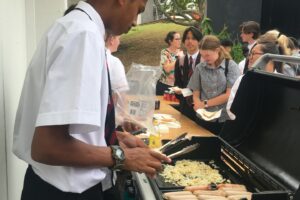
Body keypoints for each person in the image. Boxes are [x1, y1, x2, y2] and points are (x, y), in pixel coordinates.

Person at [13, 1, 171, 200]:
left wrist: (114, 137)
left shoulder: (77, 28)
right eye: (139, 9)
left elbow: (67, 129)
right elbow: (47, 146)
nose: (135, 22)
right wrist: (122, 156)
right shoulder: (82, 34)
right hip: (63, 193)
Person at [188, 35, 240, 135]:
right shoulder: (200, 68)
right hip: (203, 118)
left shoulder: (231, 66)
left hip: (223, 119)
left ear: (217, 50)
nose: (204, 59)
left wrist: (204, 104)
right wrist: (197, 104)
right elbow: (196, 91)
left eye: (207, 55)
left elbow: (229, 95)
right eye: (202, 55)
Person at [174, 26, 203, 120]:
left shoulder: (205, 60)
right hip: (185, 108)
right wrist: (179, 91)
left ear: (199, 41)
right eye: (187, 38)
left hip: (202, 108)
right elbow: (178, 84)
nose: (190, 41)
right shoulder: (180, 61)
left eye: (194, 38)